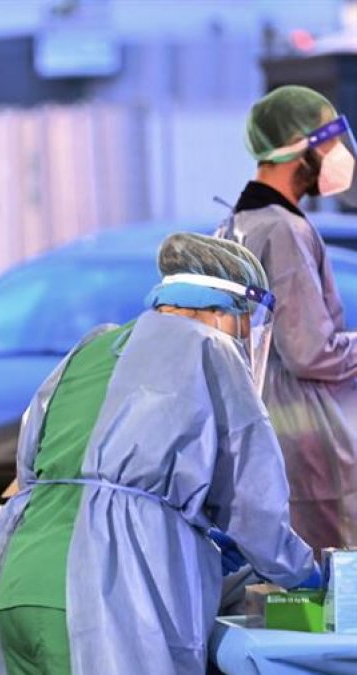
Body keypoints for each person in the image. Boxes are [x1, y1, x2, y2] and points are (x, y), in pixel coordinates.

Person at [0, 233, 319, 675]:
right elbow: (254, 499)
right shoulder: (209, 348)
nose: (243, 339)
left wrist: (190, 532)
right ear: (220, 310)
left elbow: (30, 468)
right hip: (106, 593)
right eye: (243, 325)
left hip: (17, 582)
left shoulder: (91, 348)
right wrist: (301, 575)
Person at [216, 85, 357, 551]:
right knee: (328, 577)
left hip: (260, 427)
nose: (338, 155)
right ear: (300, 147)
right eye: (330, 141)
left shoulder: (237, 224)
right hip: (308, 436)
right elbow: (310, 351)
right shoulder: (283, 229)